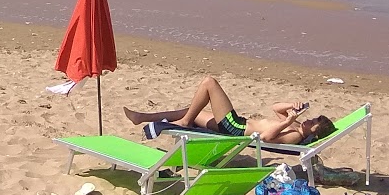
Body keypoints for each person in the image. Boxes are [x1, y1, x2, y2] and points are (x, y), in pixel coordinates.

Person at [123, 75, 335, 144]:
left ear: (315, 132)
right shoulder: (297, 125)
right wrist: (291, 107)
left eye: (311, 123)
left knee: (209, 83)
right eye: (311, 119)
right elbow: (274, 107)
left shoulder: (294, 137)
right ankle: (141, 117)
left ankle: (185, 123)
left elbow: (267, 138)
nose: (307, 121)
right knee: (191, 110)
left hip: (236, 128)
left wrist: (287, 122)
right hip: (235, 124)